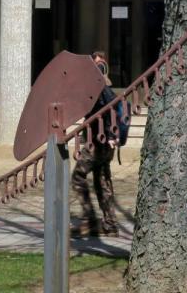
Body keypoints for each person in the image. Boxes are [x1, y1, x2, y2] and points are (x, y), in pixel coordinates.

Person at [71, 51, 119, 238]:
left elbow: (110, 109)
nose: (98, 68)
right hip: (105, 142)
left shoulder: (99, 87)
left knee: (78, 176)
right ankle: (110, 223)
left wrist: (108, 134)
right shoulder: (102, 86)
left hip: (99, 142)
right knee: (102, 181)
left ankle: (90, 220)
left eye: (100, 66)